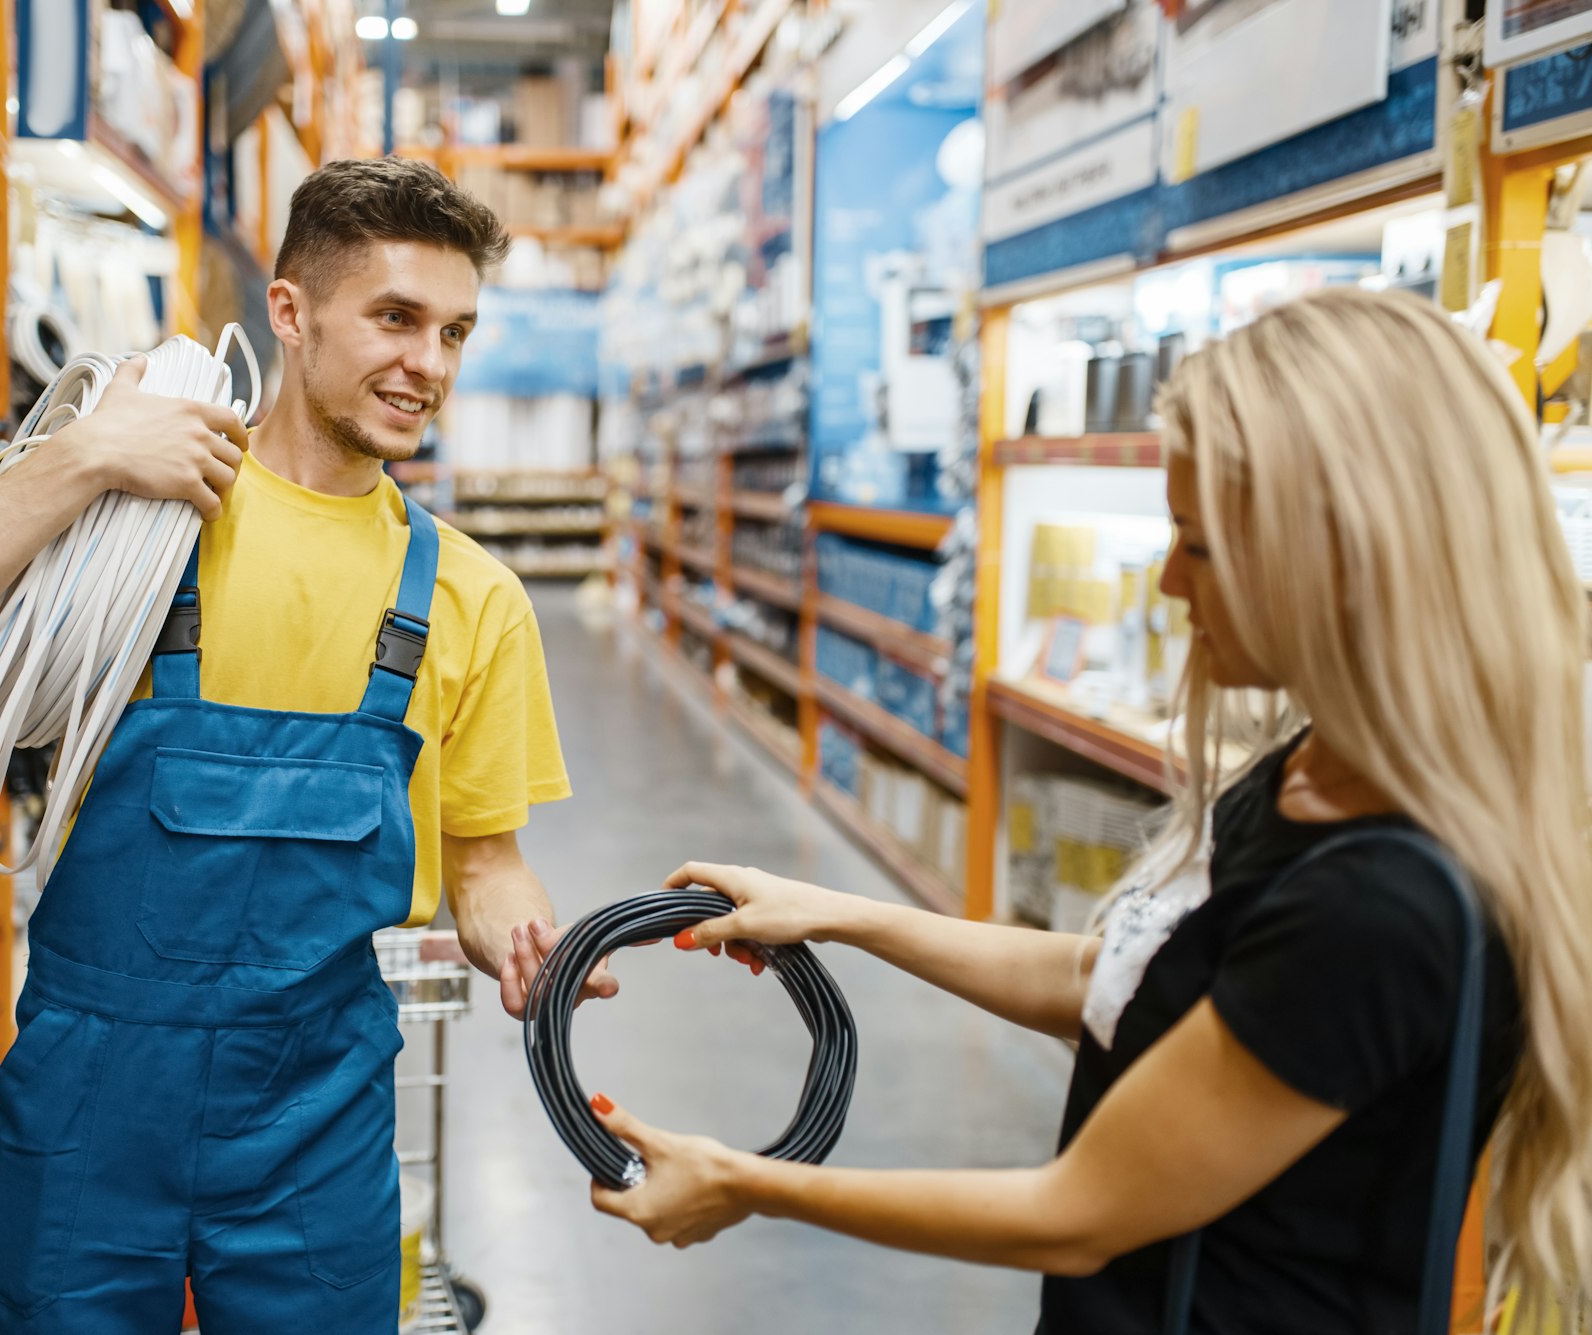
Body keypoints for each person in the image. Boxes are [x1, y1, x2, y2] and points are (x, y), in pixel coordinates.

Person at [584, 288, 1592, 1332]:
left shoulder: (1380, 904)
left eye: (1196, 545)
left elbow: (1075, 1212)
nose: (1165, 580)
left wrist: (746, 1184)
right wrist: (835, 913)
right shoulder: (1309, 771)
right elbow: (1108, 979)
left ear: (1338, 557)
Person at [0, 157, 611, 1333]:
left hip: (317, 1116)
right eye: (394, 318)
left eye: (454, 331)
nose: (429, 366)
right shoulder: (126, 521)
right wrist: (83, 457)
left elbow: (485, 863)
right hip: (95, 1102)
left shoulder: (470, 597)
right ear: (289, 315)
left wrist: (529, 947)